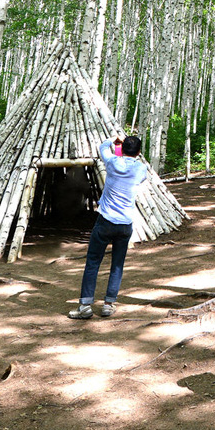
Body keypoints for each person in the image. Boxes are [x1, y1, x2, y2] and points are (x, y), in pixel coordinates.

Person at [68, 134, 147, 319]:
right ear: (139, 152)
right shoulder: (141, 169)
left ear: (122, 149)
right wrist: (126, 151)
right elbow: (131, 164)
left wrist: (114, 141)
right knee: (117, 265)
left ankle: (85, 306)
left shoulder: (112, 162)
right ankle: (108, 304)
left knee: (93, 263)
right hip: (125, 224)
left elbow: (103, 148)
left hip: (105, 221)